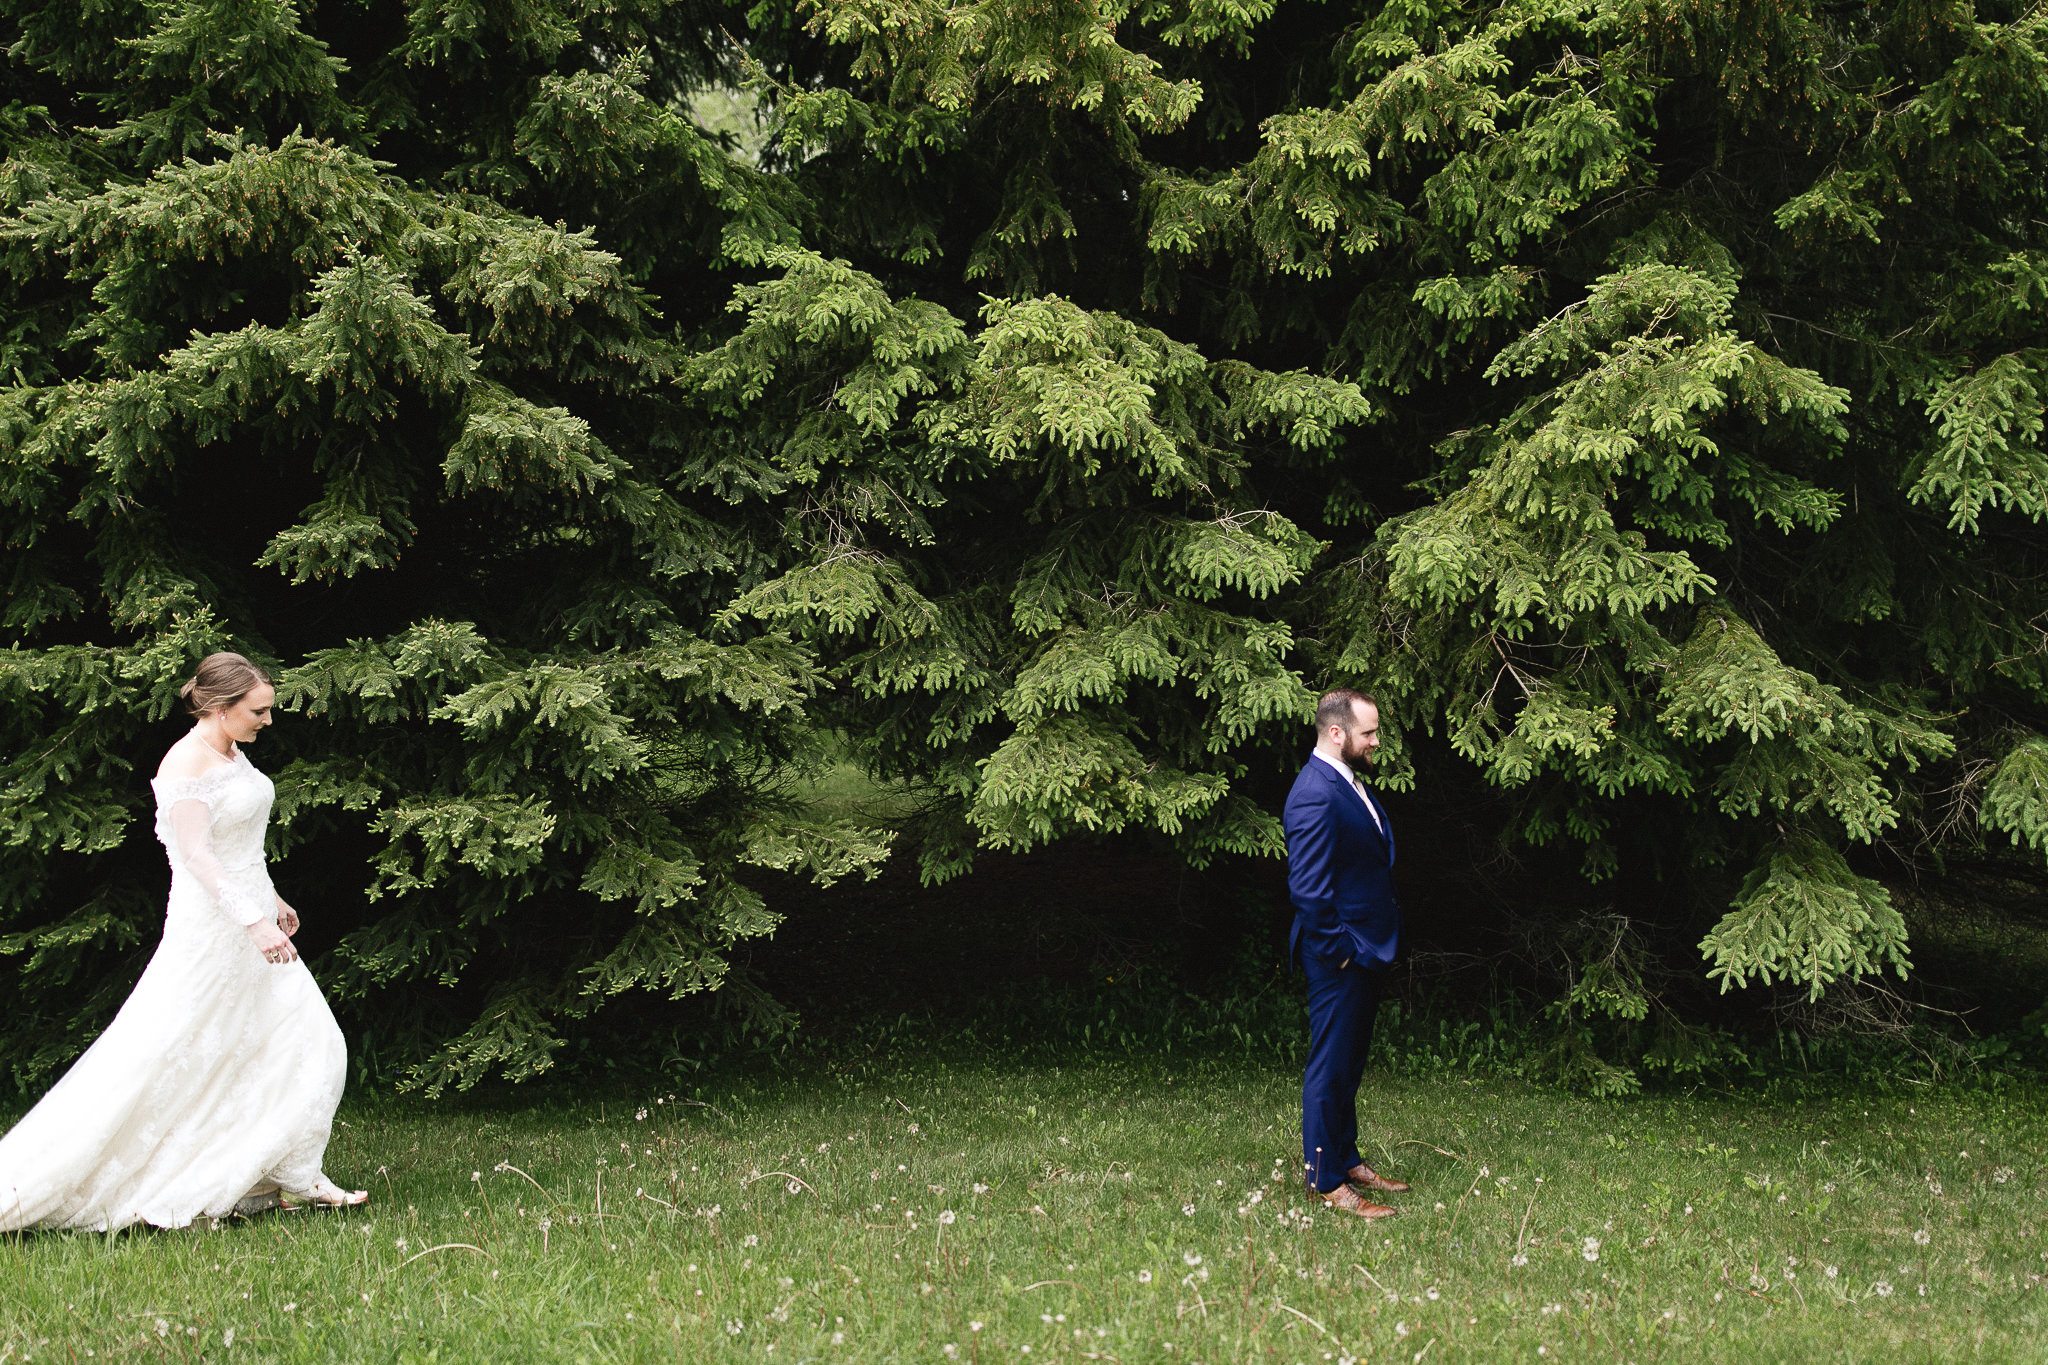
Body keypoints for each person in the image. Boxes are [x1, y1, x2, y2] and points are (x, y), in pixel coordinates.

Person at [0, 652, 366, 1230]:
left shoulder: (232, 752)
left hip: (249, 913)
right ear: (220, 708)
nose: (267, 721)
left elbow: (239, 844)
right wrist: (252, 921)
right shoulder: (185, 765)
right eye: (258, 711)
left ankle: (283, 1175)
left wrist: (271, 899)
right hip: (213, 928)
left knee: (304, 1040)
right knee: (178, 1050)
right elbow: (195, 855)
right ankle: (130, 1178)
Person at [1283, 688, 1410, 1218]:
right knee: (1329, 1067)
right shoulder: (1313, 792)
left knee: (1350, 1062)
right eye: (1369, 733)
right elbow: (1308, 889)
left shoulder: (1346, 780)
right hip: (1341, 952)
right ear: (1337, 733)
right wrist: (1339, 951)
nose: (1376, 741)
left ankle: (1347, 1156)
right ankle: (1326, 1179)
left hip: (1365, 949)